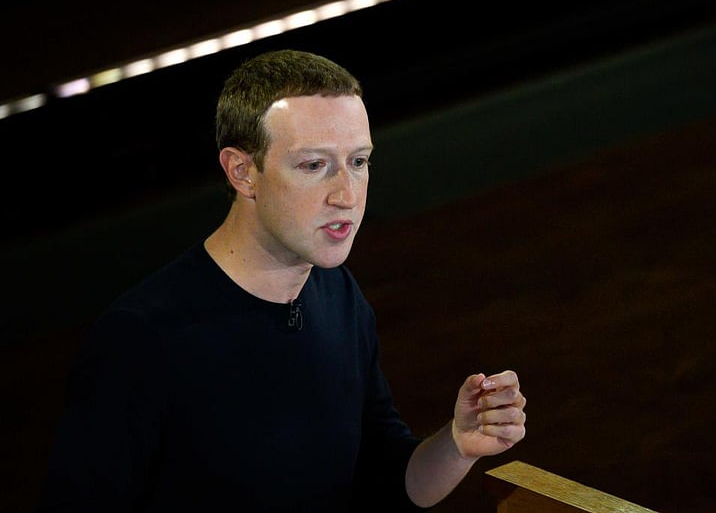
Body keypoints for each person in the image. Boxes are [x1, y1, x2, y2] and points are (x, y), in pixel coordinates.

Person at [38, 49, 527, 511]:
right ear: (242, 172)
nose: (346, 195)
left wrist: (458, 444)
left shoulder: (338, 296)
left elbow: (384, 480)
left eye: (358, 162)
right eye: (314, 165)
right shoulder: (141, 339)